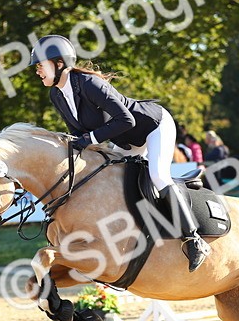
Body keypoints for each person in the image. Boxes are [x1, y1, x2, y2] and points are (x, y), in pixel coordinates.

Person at [29, 34, 210, 271]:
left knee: (158, 176)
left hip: (152, 126)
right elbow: (79, 133)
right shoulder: (57, 95)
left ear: (58, 63)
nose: (38, 71)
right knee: (112, 180)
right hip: (124, 141)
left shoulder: (88, 84)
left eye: (40, 65)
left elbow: (127, 119)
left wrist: (90, 139)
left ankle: (194, 239)